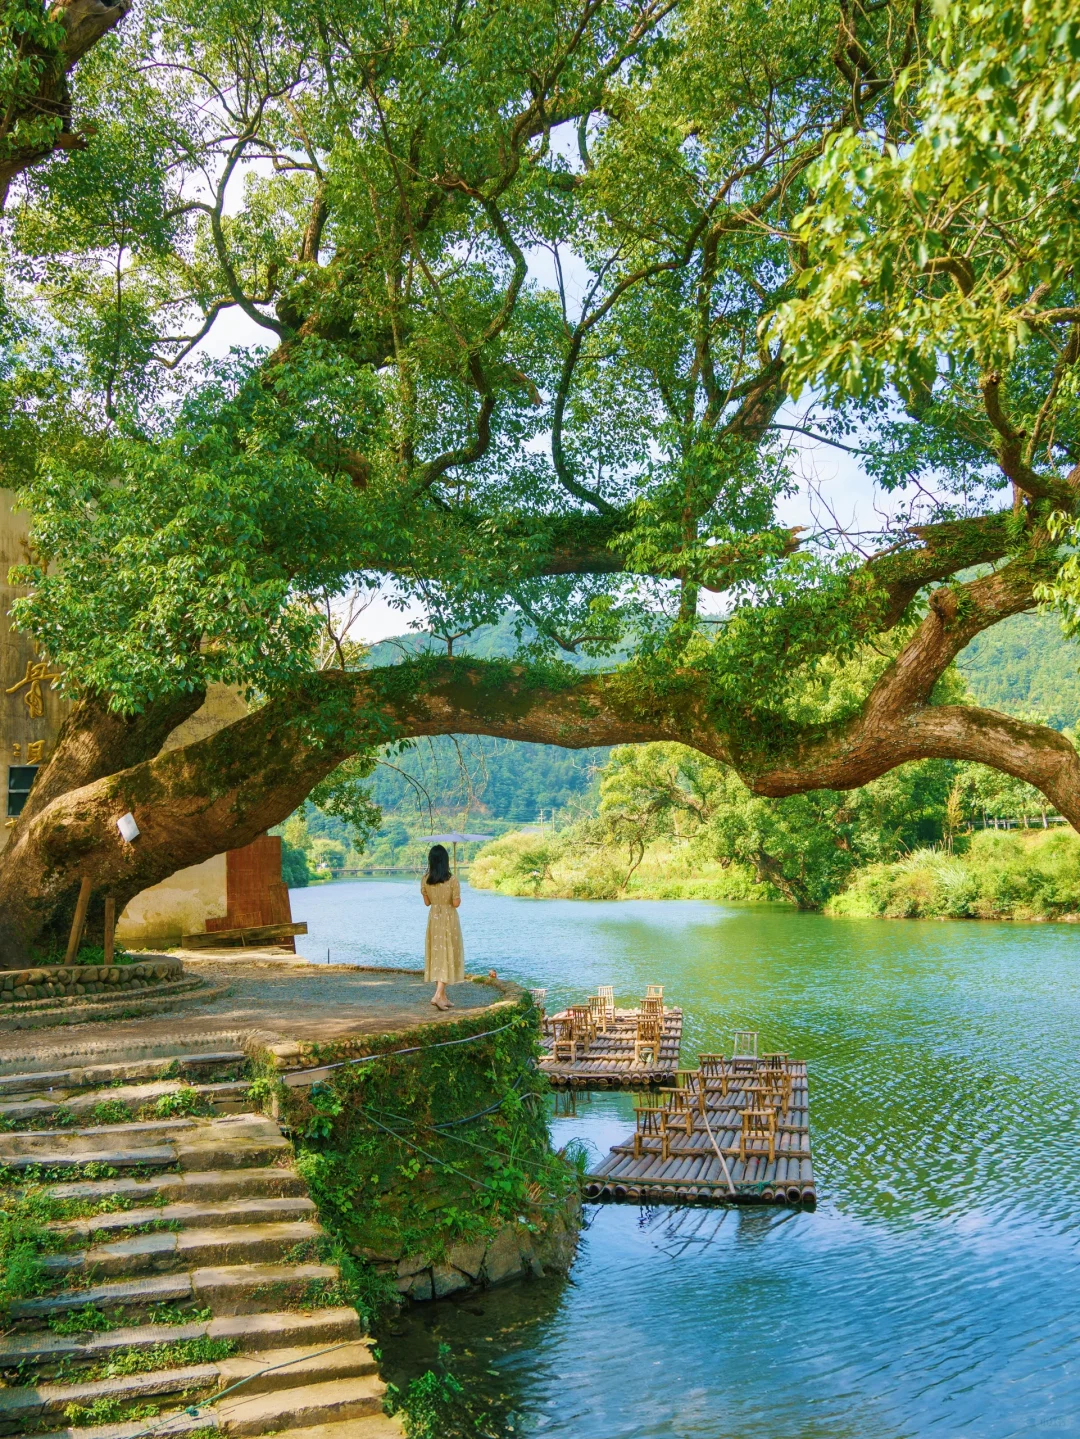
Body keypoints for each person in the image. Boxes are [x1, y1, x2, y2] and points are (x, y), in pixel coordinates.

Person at [421, 843, 464, 1010]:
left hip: (434, 918)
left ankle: (443, 997)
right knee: (448, 953)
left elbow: (427, 902)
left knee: (438, 954)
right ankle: (438, 995)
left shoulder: (425, 879)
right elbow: (456, 903)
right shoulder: (452, 879)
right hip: (449, 919)